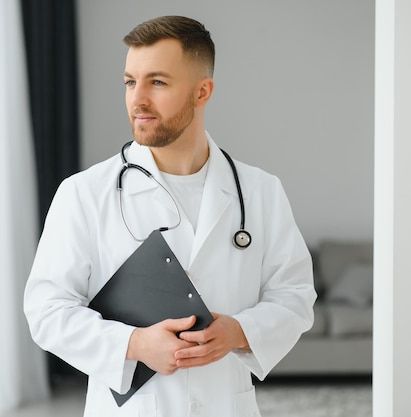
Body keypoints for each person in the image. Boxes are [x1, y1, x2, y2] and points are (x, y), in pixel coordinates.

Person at [24, 15, 316, 417]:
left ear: (202, 92)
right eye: (130, 81)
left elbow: (295, 296)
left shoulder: (260, 191)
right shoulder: (84, 193)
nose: (137, 99)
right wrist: (135, 344)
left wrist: (239, 332)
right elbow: (47, 310)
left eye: (157, 82)